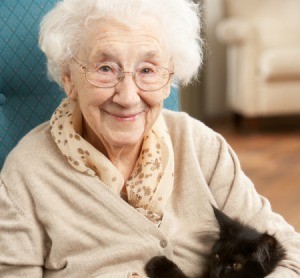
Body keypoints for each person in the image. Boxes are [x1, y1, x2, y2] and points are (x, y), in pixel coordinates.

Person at [0, 0, 299, 277]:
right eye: (105, 68)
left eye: (148, 70)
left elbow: (290, 253)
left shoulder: (200, 146)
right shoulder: (26, 176)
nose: (128, 97)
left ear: (169, 79)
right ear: (68, 78)